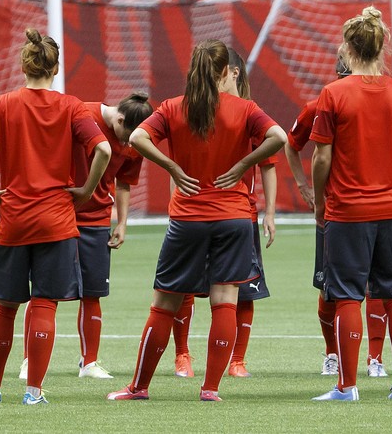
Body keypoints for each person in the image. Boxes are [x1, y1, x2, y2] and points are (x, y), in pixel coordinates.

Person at [107, 39, 286, 402]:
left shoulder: (175, 107)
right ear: (226, 71)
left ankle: (139, 387)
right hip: (235, 218)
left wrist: (171, 166)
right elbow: (279, 137)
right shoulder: (246, 109)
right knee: (225, 302)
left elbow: (138, 136)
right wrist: (242, 165)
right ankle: (211, 389)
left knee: (165, 303)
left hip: (188, 218)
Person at [0, 28, 112, 405]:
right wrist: (88, 190)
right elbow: (104, 149)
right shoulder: (72, 106)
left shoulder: (0, 105)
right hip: (56, 220)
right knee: (45, 303)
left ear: (23, 66)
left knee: (5, 307)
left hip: (14, 219)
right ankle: (33, 391)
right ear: (55, 68)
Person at [310, 6, 392, 401]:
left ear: (349, 47)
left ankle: (347, 387)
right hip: (391, 210)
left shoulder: (333, 94)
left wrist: (321, 204)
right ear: (381, 46)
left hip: (347, 211)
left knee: (347, 296)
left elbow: (321, 158)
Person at [19, 92, 152, 381]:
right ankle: (29, 361)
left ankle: (89, 363)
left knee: (93, 293)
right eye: (126, 136)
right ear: (118, 119)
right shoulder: (80, 114)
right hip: (58, 214)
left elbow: (125, 184)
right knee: (45, 292)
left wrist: (123, 223)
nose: (128, 144)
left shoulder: (135, 140)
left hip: (97, 219)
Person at [171, 47, 278, 379]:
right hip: (193, 212)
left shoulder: (250, 113)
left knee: (242, 289)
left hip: (237, 212)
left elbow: (269, 164)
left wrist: (269, 213)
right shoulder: (193, 109)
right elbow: (179, 163)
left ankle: (237, 359)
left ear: (235, 73)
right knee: (182, 289)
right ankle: (183, 356)